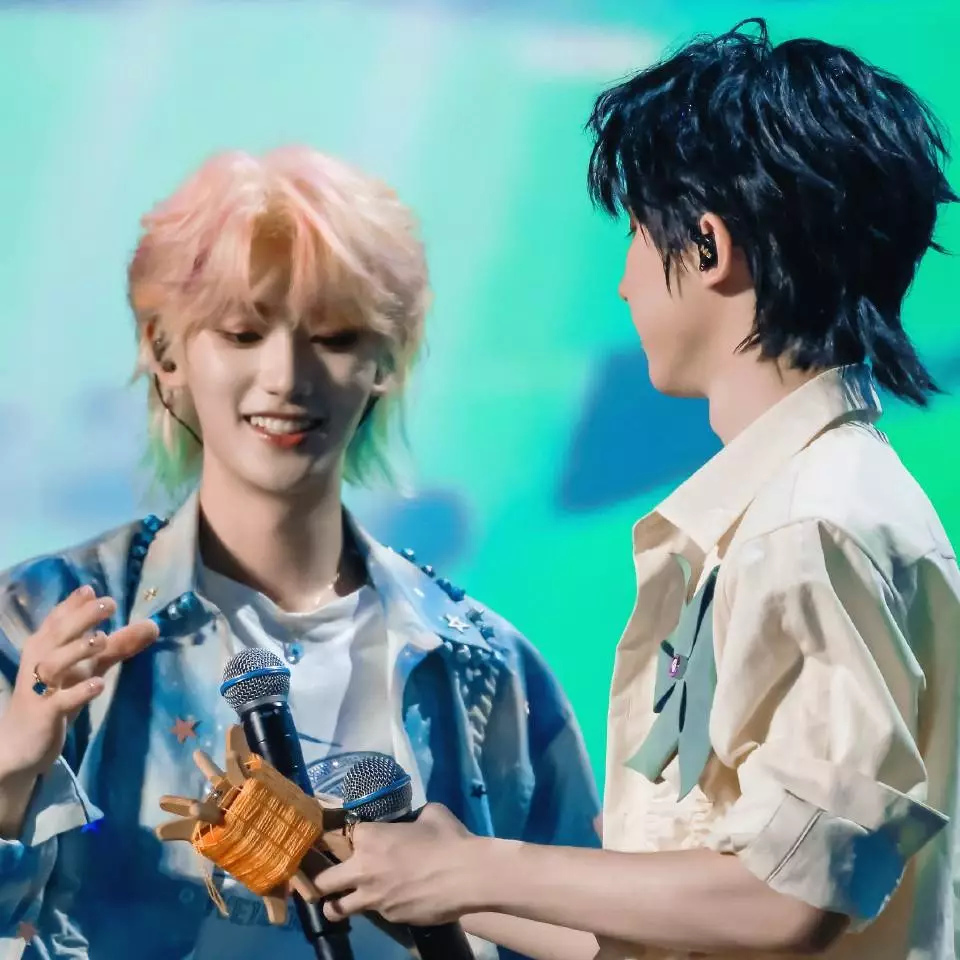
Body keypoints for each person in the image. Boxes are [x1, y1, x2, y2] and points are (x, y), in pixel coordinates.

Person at [309, 18, 960, 960]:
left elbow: (789, 896)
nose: (622, 285)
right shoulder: (778, 514)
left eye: (635, 236)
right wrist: (423, 881)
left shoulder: (813, 521)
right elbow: (680, 922)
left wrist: (474, 870)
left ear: (707, 247)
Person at [0, 146, 600, 960]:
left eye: (334, 336)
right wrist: (9, 780)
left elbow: (602, 935)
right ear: (165, 352)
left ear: (387, 361)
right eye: (242, 333)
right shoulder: (39, 620)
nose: (285, 375)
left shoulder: (485, 666)